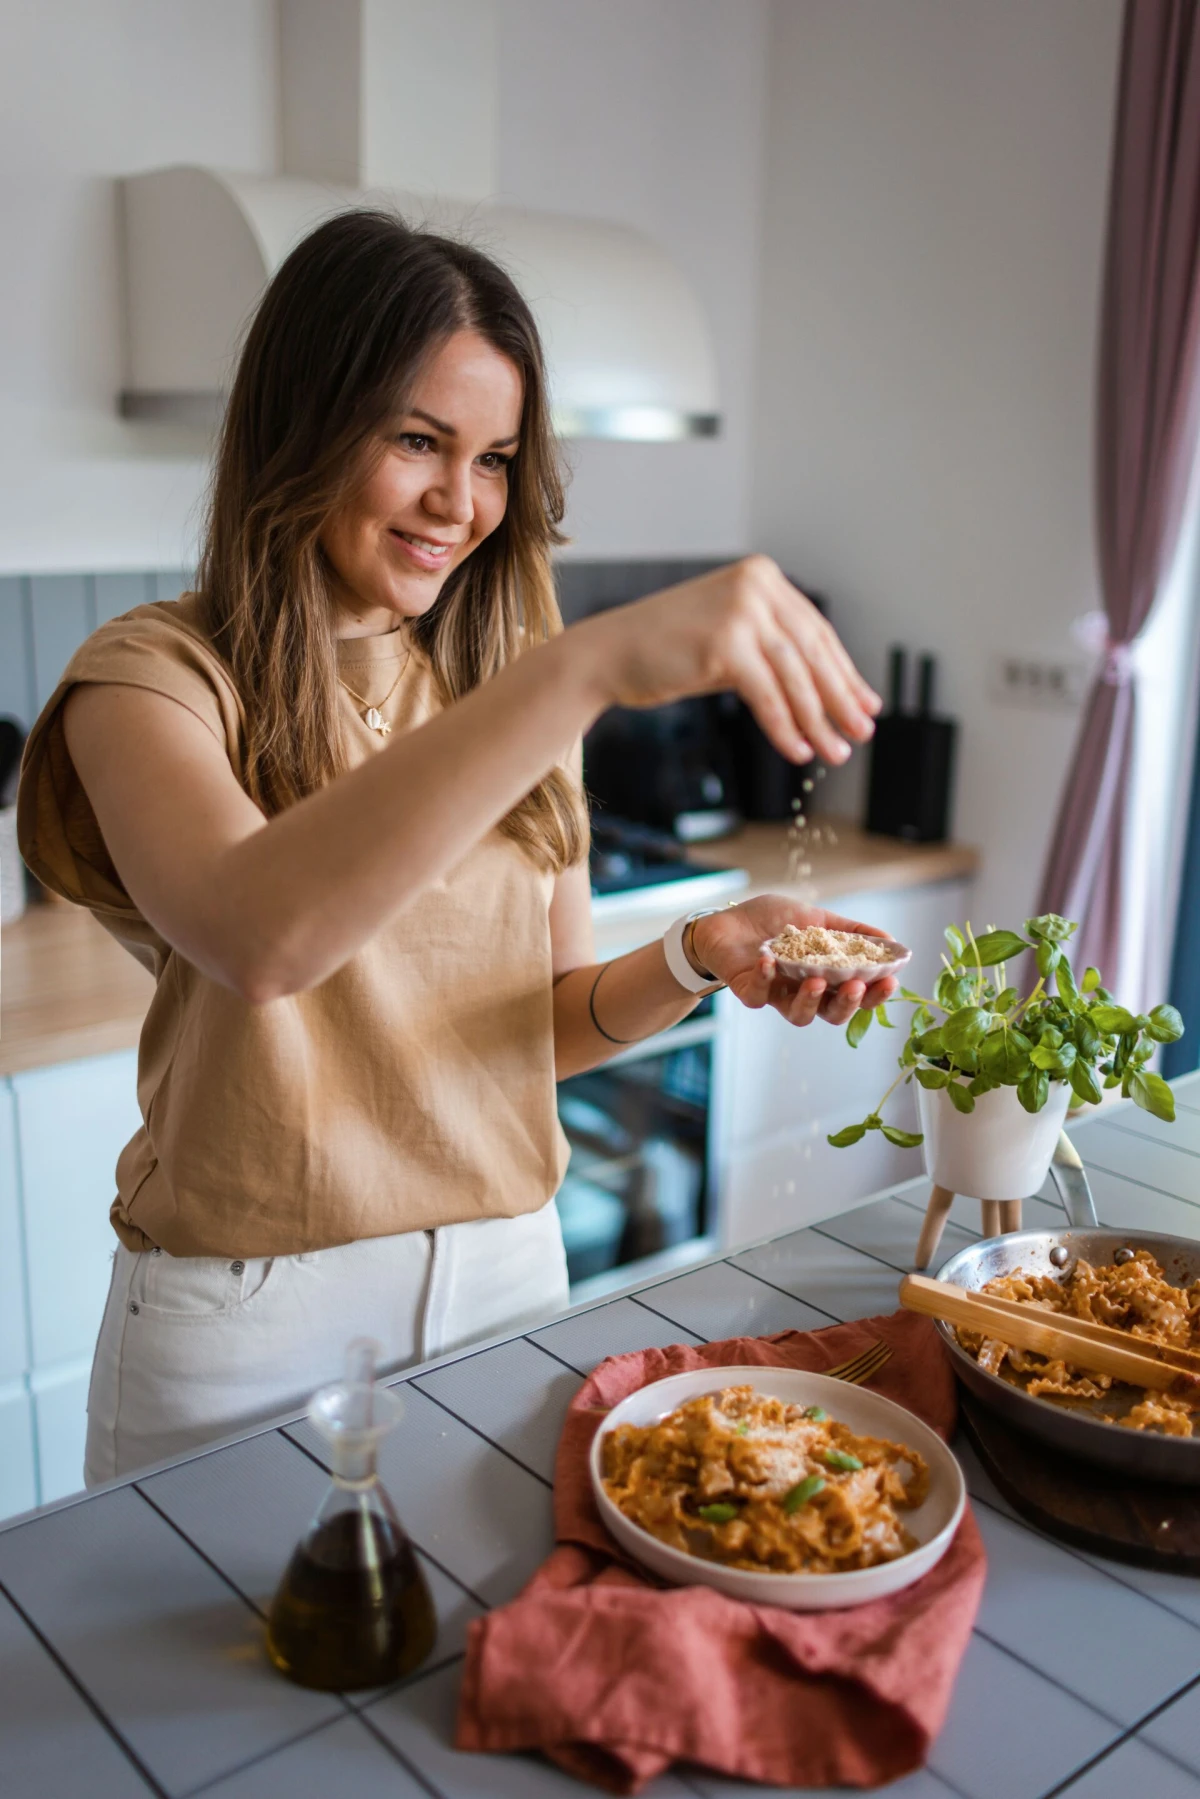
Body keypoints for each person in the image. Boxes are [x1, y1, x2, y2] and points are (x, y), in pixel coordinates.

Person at [18, 210, 896, 1486]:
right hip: (241, 1318)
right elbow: (259, 937)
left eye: (493, 459)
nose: (462, 502)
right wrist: (585, 665)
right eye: (417, 441)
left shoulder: (507, 691)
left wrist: (702, 951)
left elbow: (542, 1028)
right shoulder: (151, 679)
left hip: (505, 1276)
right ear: (302, 426)